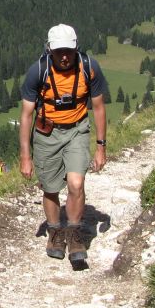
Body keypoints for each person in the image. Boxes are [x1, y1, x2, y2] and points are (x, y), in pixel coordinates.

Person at [18, 24, 108, 270]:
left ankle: (75, 234)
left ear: (76, 47)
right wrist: (26, 156)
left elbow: (98, 107)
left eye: (68, 50)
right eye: (59, 52)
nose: (65, 56)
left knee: (76, 183)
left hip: (78, 130)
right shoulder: (38, 71)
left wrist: (101, 147)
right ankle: (55, 231)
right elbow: (26, 115)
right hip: (47, 133)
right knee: (50, 187)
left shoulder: (89, 68)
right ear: (49, 50)